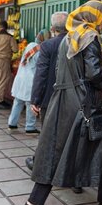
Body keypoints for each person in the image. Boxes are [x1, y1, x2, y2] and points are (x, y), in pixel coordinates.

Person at [21, 0, 102, 205]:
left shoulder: (70, 38)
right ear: (94, 17)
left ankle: (34, 203)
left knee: (56, 151)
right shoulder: (89, 38)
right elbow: (94, 74)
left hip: (64, 102)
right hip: (84, 105)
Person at [26, 12, 69, 170]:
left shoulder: (47, 45)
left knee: (47, 133)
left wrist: (35, 100)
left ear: (52, 28)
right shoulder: (76, 44)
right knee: (68, 136)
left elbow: (41, 75)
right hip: (71, 99)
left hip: (49, 98)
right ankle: (68, 172)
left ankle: (41, 164)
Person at [8, 31, 44, 134]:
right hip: (30, 79)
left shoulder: (30, 45)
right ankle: (30, 127)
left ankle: (12, 123)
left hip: (21, 77)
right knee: (30, 104)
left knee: (18, 102)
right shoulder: (39, 49)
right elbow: (39, 64)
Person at [0, 20, 18, 109]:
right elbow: (15, 49)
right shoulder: (9, 37)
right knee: (3, 80)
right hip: (3, 60)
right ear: (6, 27)